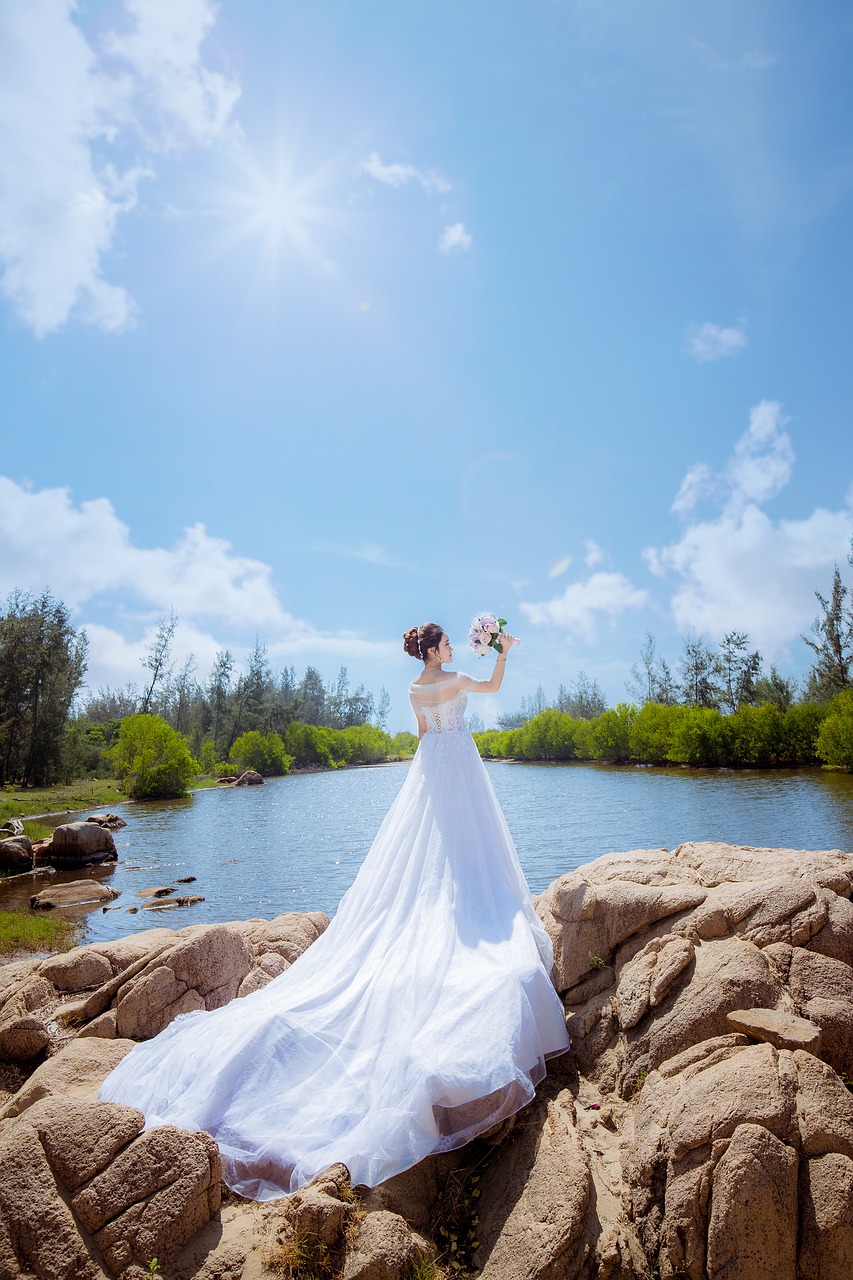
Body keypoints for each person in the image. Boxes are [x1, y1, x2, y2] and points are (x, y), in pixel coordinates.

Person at [99, 621, 570, 1201]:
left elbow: (425, 735)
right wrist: (501, 650)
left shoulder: (417, 689)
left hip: (432, 771)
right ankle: (474, 916)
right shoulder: (454, 679)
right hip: (461, 770)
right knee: (468, 851)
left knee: (432, 858)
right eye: (447, 643)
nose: (451, 650)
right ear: (434, 649)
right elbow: (494, 688)